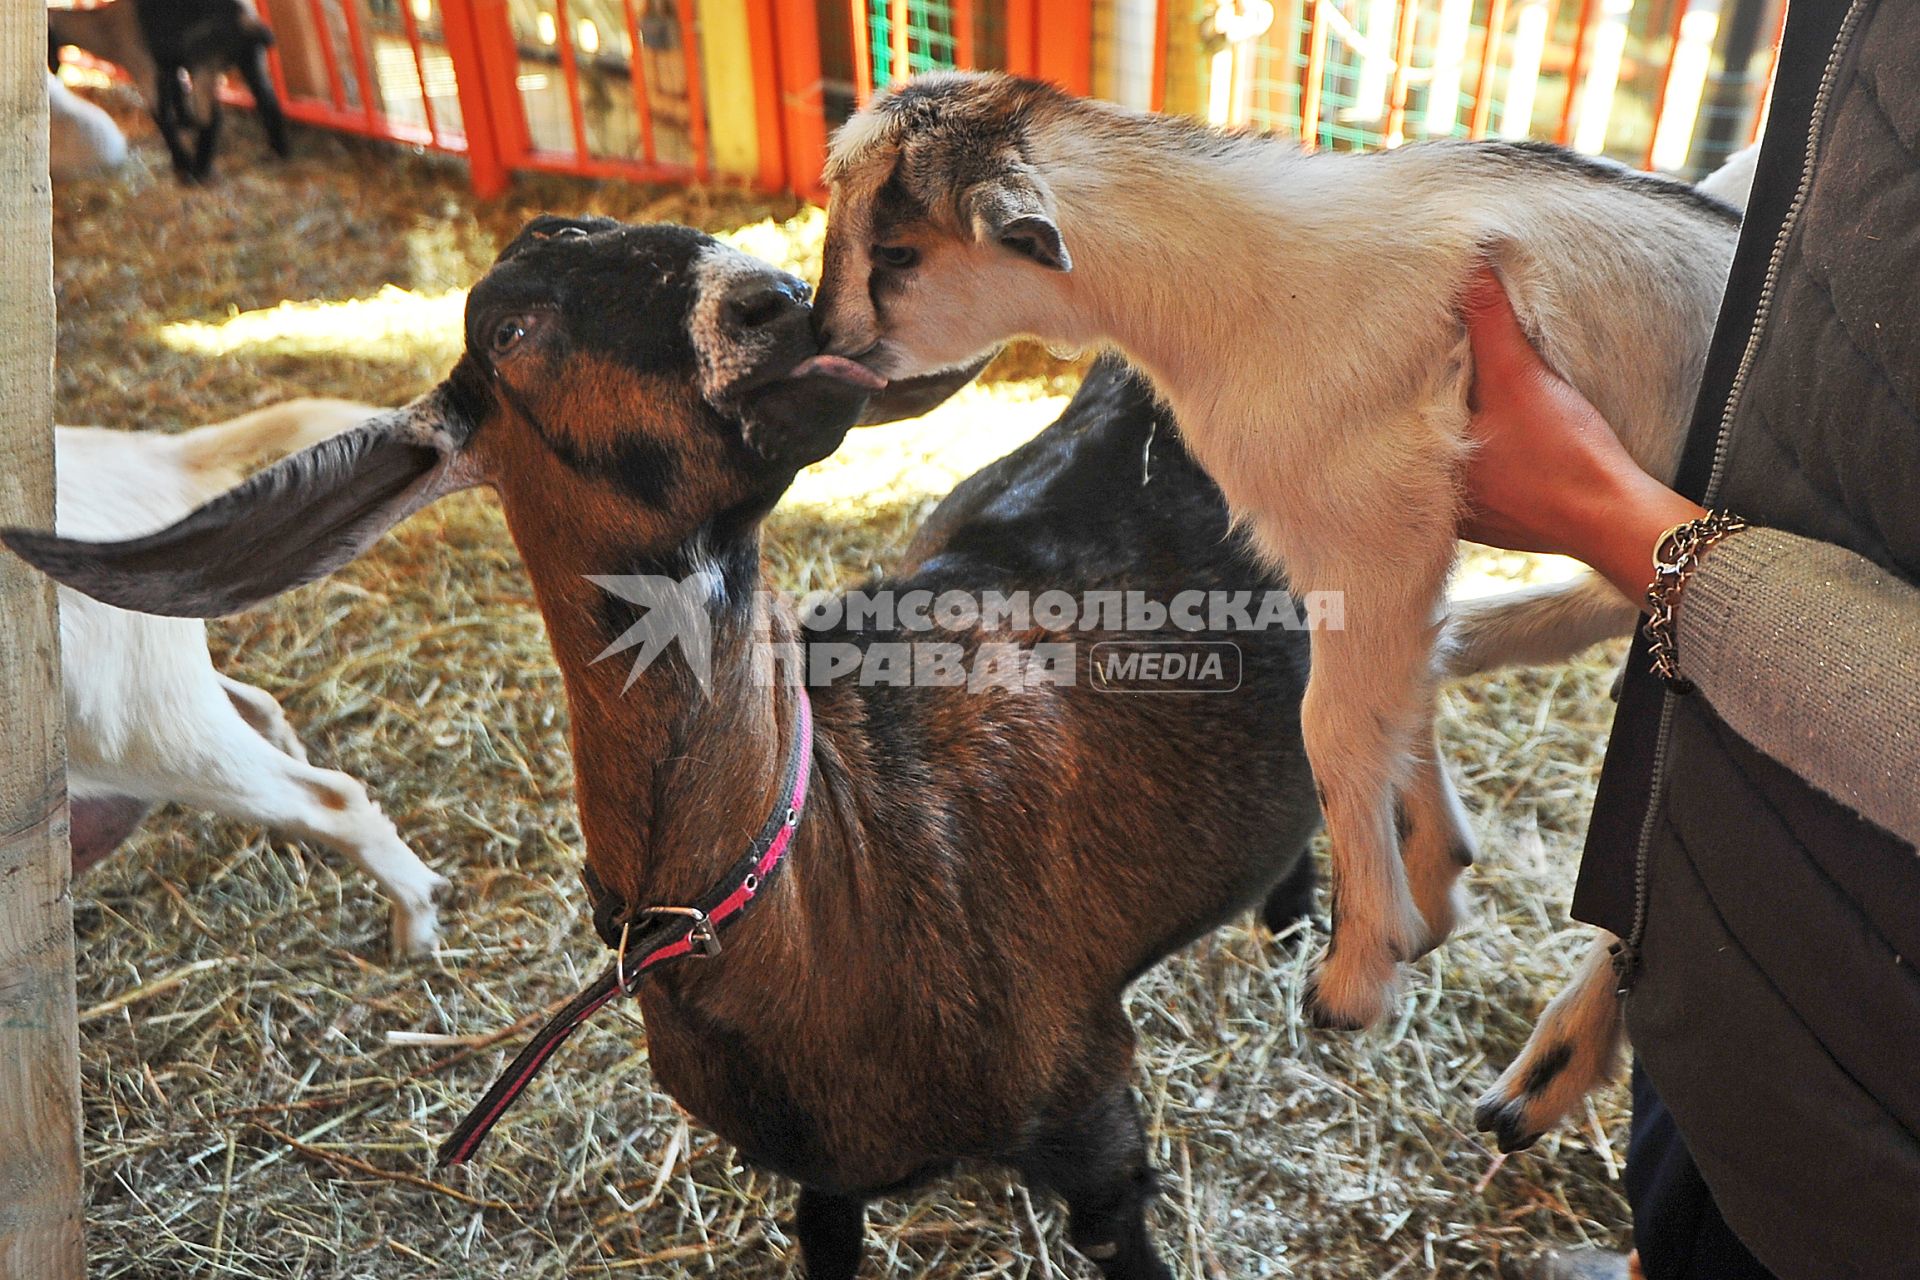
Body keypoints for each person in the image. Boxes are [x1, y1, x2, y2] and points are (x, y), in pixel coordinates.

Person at [1457, 3, 1920, 1276]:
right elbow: (1821, 201)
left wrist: (1613, 519)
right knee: (1688, 1178)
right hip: (1735, 921)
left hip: (1876, 1126)